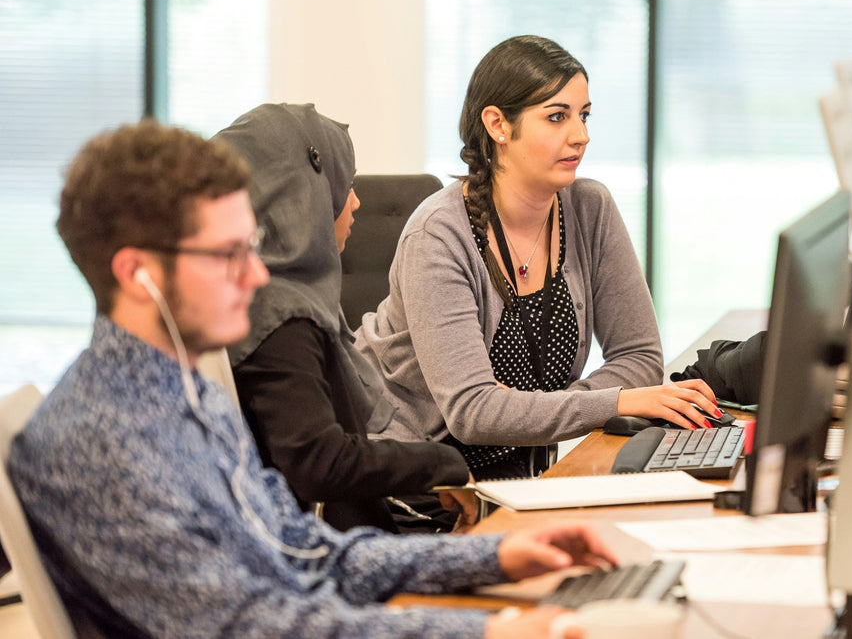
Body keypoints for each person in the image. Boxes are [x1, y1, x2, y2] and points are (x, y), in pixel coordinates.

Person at [7, 119, 615, 638]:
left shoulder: (183, 395)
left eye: (253, 247)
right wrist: (483, 629)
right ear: (137, 273)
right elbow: (260, 626)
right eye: (227, 255)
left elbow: (305, 549)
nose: (254, 276)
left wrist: (493, 556)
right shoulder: (106, 440)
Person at [356, 35, 720, 479]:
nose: (581, 135)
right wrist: (615, 401)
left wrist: (530, 409)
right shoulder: (439, 235)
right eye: (556, 117)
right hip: (419, 482)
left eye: (583, 116)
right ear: (498, 125)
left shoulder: (589, 208)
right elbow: (473, 412)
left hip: (522, 474)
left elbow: (640, 357)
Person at [217, 103, 475, 534]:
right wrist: (440, 463)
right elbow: (318, 463)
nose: (355, 201)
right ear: (302, 195)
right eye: (345, 184)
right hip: (330, 553)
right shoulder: (281, 317)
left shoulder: (272, 298)